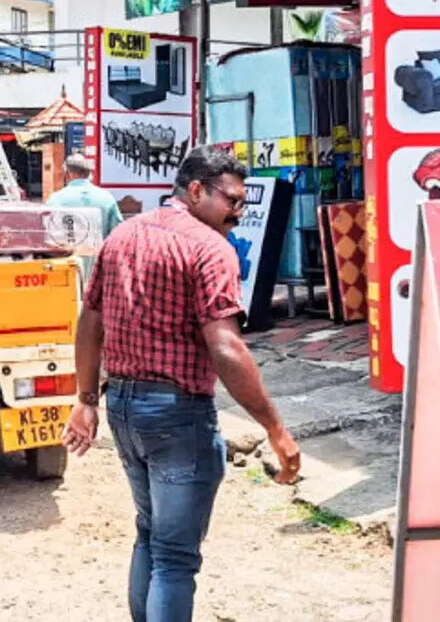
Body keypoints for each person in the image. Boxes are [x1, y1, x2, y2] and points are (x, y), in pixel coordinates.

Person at [61, 147, 301, 622]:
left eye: (242, 204)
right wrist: (274, 428)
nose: (238, 213)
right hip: (176, 416)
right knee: (173, 557)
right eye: (231, 201)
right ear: (195, 191)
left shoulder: (123, 235)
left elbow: (89, 322)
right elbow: (227, 348)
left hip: (125, 410)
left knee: (151, 535)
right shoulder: (210, 249)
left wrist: (87, 400)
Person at [47, 153, 123, 237]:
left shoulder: (56, 199)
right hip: (100, 249)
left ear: (68, 174)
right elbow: (118, 231)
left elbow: (49, 232)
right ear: (88, 174)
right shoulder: (107, 198)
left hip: (67, 249)